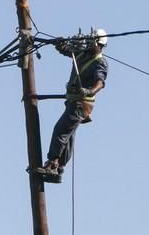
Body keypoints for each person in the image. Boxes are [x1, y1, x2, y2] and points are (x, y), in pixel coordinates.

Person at [34, 28, 108, 183]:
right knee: (68, 136)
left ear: (99, 45)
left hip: (82, 104)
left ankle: (52, 162)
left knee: (60, 130)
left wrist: (87, 91)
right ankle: (58, 167)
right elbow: (68, 51)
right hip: (73, 102)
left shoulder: (99, 62)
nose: (88, 44)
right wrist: (60, 45)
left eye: (92, 42)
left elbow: (100, 83)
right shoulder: (83, 54)